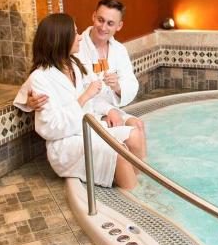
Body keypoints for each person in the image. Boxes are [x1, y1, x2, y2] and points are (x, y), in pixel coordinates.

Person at [16, 0, 146, 156]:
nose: (103, 27)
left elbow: (131, 84)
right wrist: (29, 101)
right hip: (86, 114)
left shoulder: (119, 50)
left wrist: (118, 88)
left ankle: (139, 169)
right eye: (100, 20)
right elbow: (41, 82)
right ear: (94, 16)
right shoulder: (74, 48)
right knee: (124, 141)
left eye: (110, 23)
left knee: (138, 125)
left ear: (119, 26)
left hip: (102, 109)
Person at [26, 13, 143, 189]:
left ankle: (137, 184)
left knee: (134, 135)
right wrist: (84, 97)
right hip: (65, 143)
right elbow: (50, 128)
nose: (80, 37)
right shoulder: (41, 78)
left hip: (87, 129)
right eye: (74, 33)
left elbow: (93, 100)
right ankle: (132, 191)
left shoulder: (73, 65)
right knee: (118, 152)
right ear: (61, 39)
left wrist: (108, 110)